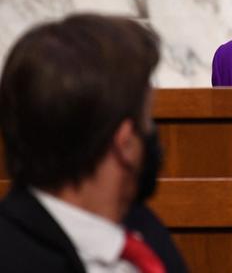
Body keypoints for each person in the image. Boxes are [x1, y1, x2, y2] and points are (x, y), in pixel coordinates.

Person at [0, 14, 188, 273]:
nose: (153, 135)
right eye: (147, 119)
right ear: (125, 143)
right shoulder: (12, 255)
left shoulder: (145, 231)